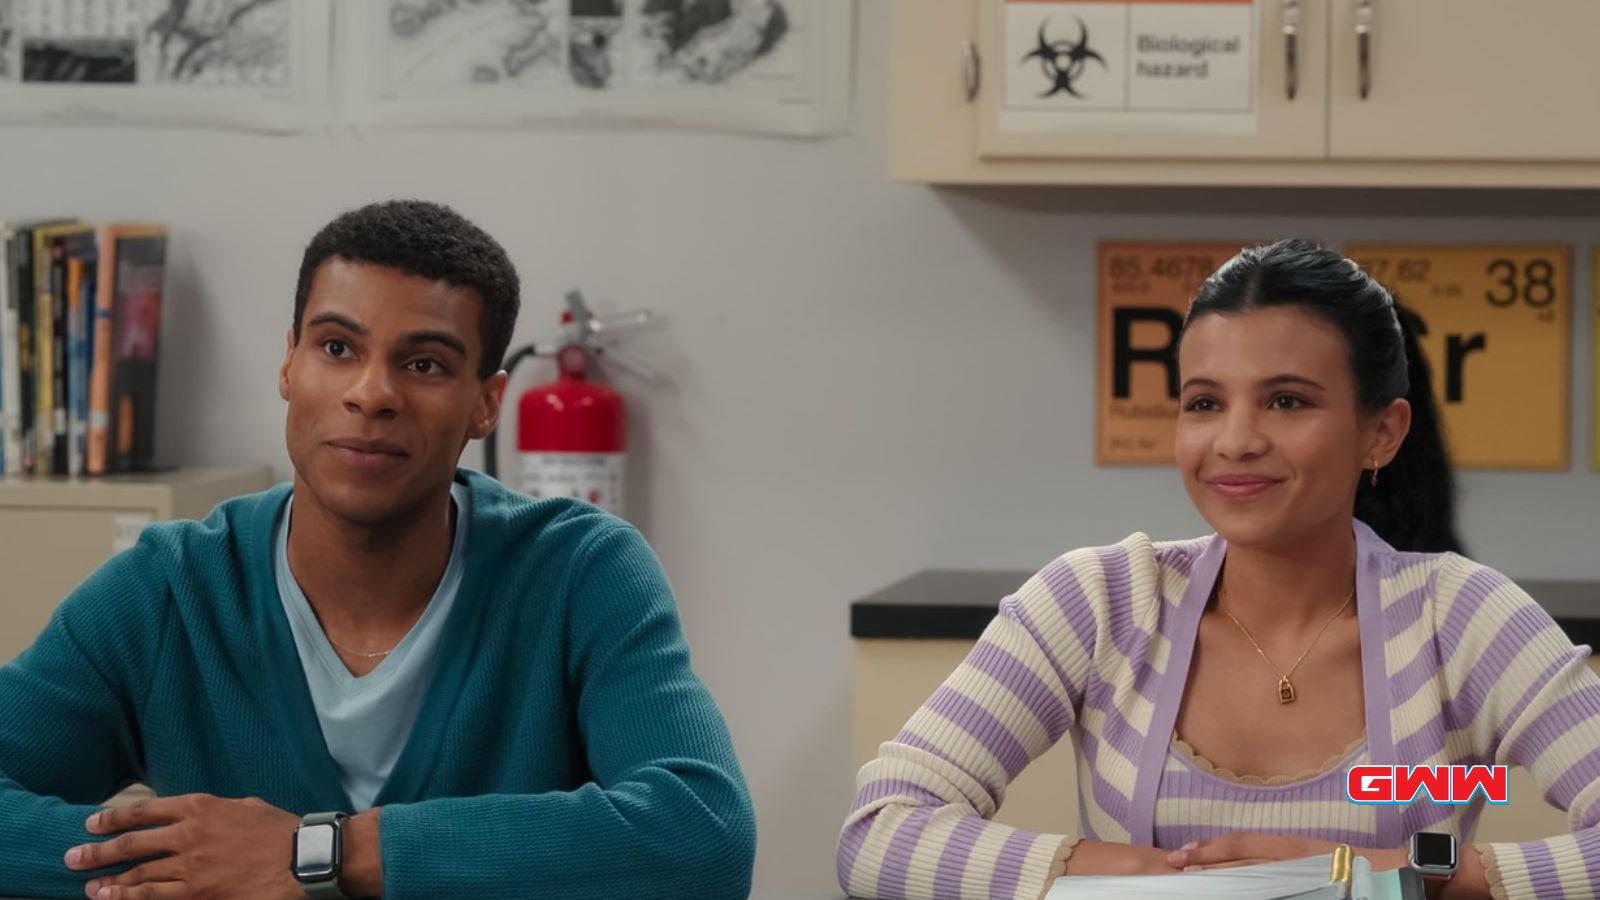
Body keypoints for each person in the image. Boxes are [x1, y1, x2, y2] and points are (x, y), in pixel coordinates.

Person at [0, 199, 755, 900]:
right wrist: (192, 866)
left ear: (486, 402)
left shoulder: (581, 572)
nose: (372, 393)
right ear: (289, 364)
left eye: (423, 363)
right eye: (337, 347)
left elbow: (702, 834)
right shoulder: (169, 590)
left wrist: (318, 854)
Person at [838, 239, 1600, 900]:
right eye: (1204, 404)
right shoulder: (1099, 600)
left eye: (1287, 401)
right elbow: (879, 829)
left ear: (1382, 433)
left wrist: (1399, 873)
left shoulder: (1463, 618)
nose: (1234, 440)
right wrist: (1115, 874)